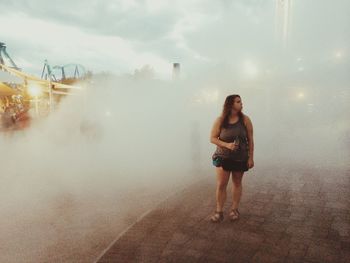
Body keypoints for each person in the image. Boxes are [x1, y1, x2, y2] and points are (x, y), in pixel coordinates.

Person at [209, 94, 254, 222]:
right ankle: (219, 211)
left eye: (241, 101)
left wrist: (251, 158)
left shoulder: (245, 120)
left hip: (240, 157)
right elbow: (212, 138)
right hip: (223, 157)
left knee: (237, 183)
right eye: (238, 102)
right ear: (230, 104)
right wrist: (226, 145)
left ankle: (234, 209)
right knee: (221, 184)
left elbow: (250, 140)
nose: (241, 104)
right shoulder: (220, 120)